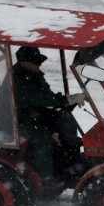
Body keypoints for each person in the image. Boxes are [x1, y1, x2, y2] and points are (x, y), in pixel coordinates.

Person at [10, 46, 87, 184]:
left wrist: (65, 103)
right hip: (16, 119)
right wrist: (67, 99)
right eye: (36, 62)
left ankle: (68, 160)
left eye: (39, 61)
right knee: (43, 140)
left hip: (33, 114)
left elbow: (47, 95)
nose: (39, 64)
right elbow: (39, 99)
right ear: (23, 62)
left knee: (65, 119)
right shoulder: (16, 79)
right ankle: (46, 178)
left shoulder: (34, 74)